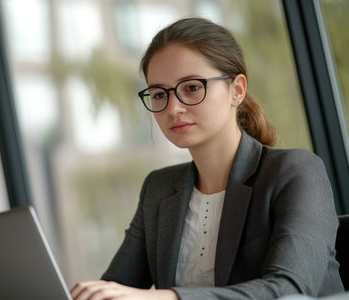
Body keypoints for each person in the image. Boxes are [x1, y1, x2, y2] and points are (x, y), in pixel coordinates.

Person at [70, 17, 344, 300]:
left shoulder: (295, 171)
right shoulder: (159, 188)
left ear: (236, 90)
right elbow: (115, 287)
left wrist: (168, 297)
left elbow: (289, 290)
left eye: (191, 87)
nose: (173, 108)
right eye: (159, 94)